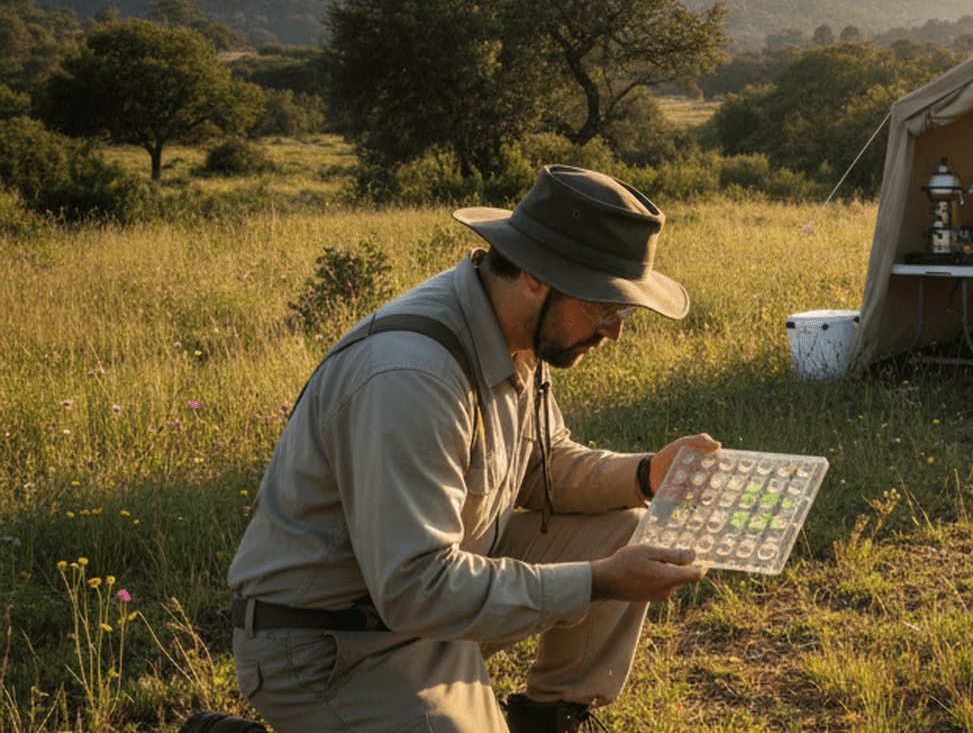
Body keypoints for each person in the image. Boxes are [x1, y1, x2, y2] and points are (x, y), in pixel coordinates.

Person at [226, 165, 719, 733]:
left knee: (627, 522)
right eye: (605, 307)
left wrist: (644, 475)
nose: (615, 331)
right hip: (330, 645)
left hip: (431, 610)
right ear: (536, 276)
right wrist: (599, 580)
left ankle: (552, 717)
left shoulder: (514, 327)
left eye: (624, 310)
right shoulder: (411, 376)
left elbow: (541, 464)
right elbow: (416, 587)